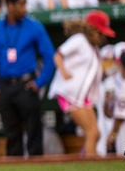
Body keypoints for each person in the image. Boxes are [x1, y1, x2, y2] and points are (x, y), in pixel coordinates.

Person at [0, 0, 56, 157]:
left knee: (33, 129)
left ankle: (37, 166)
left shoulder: (34, 26)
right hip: (5, 85)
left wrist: (39, 82)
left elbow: (50, 57)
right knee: (11, 131)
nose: (25, 9)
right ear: (10, 5)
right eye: (21, 5)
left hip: (26, 85)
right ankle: (14, 170)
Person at [48, 11, 115, 157]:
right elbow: (58, 54)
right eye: (99, 32)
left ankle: (84, 159)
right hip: (69, 93)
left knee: (96, 133)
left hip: (83, 96)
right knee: (91, 132)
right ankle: (90, 167)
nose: (102, 36)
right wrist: (64, 72)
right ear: (91, 28)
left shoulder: (94, 48)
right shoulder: (79, 39)